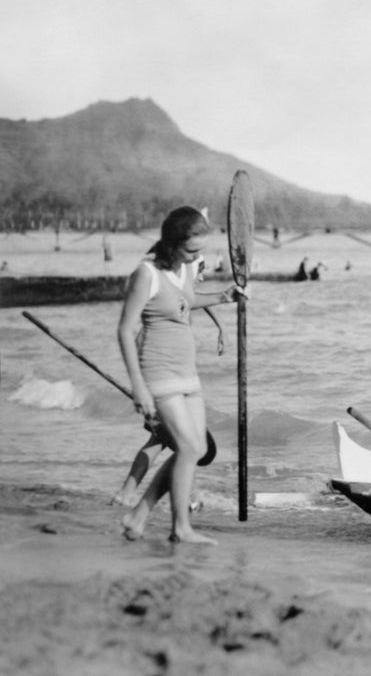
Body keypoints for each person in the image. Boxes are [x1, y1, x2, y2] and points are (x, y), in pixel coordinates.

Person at [116, 206, 242, 544]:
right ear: (170, 243)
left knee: (195, 449)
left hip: (188, 373)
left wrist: (223, 296)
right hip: (158, 372)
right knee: (186, 447)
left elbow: (185, 302)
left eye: (200, 249)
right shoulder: (146, 274)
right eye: (191, 250)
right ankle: (180, 528)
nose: (197, 257)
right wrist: (138, 387)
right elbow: (126, 331)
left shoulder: (185, 270)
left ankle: (138, 516)